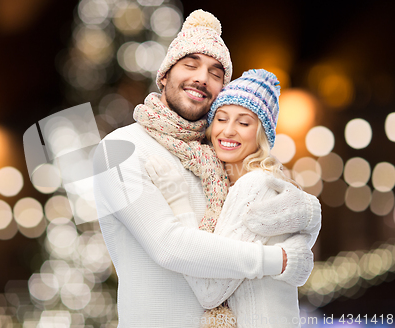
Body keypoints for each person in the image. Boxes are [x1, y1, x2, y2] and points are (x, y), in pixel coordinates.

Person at [93, 9, 319, 327]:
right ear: (165, 74)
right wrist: (280, 260)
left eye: (215, 72)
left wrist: (304, 223)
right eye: (190, 64)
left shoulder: (218, 157)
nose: (202, 77)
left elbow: (260, 218)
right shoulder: (118, 150)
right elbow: (168, 246)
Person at [140, 69, 321, 327]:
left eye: (244, 123)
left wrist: (178, 200)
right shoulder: (251, 182)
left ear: (261, 135)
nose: (228, 131)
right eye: (222, 119)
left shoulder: (254, 185)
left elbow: (210, 291)